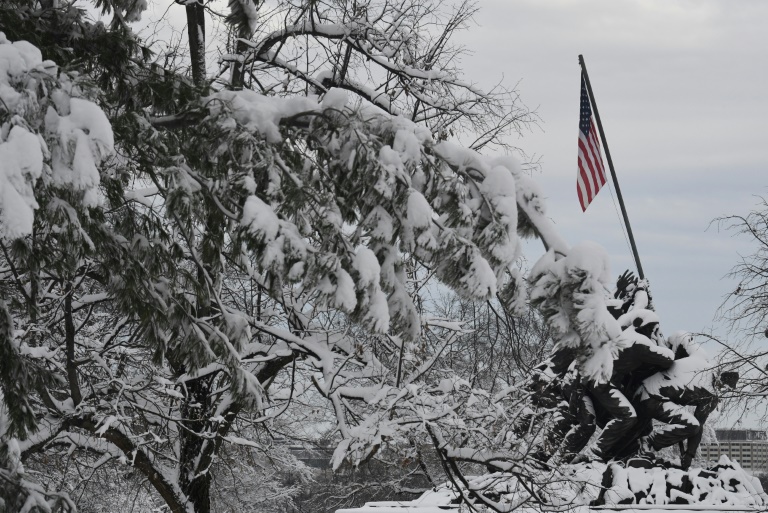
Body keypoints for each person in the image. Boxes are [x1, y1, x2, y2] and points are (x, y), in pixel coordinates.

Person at [633, 331, 738, 469]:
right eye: (725, 387)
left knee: (690, 424)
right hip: (651, 399)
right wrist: (689, 455)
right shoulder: (710, 396)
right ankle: (649, 441)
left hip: (641, 391)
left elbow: (680, 337)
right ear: (723, 381)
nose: (723, 389)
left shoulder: (700, 363)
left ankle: (646, 445)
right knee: (691, 425)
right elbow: (697, 427)